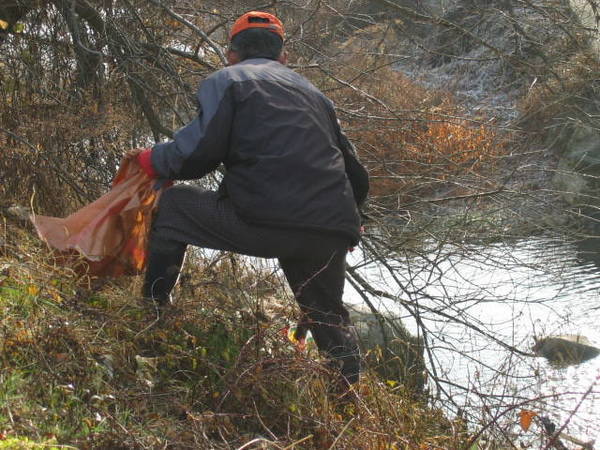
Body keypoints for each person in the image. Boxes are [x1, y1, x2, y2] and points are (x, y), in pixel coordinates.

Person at [130, 11, 369, 387]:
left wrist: (152, 159)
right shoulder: (315, 95)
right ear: (284, 57)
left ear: (231, 54)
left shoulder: (227, 80)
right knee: (329, 316)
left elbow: (197, 155)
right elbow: (353, 168)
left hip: (263, 223)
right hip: (331, 228)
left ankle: (154, 316)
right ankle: (348, 401)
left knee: (174, 206)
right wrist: (352, 221)